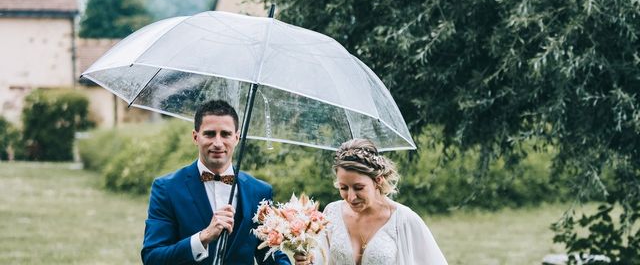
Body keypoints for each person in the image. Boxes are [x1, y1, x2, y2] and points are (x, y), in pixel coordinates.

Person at [142, 99, 291, 265]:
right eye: (210, 134)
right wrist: (203, 237)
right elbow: (152, 257)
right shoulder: (167, 188)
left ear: (237, 137)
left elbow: (269, 255)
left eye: (226, 134)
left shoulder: (259, 191)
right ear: (195, 137)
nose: (218, 143)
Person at [294, 138, 448, 265]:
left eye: (359, 187)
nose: (351, 197)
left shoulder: (404, 220)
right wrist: (307, 260)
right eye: (343, 188)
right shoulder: (331, 212)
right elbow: (321, 260)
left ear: (378, 181)